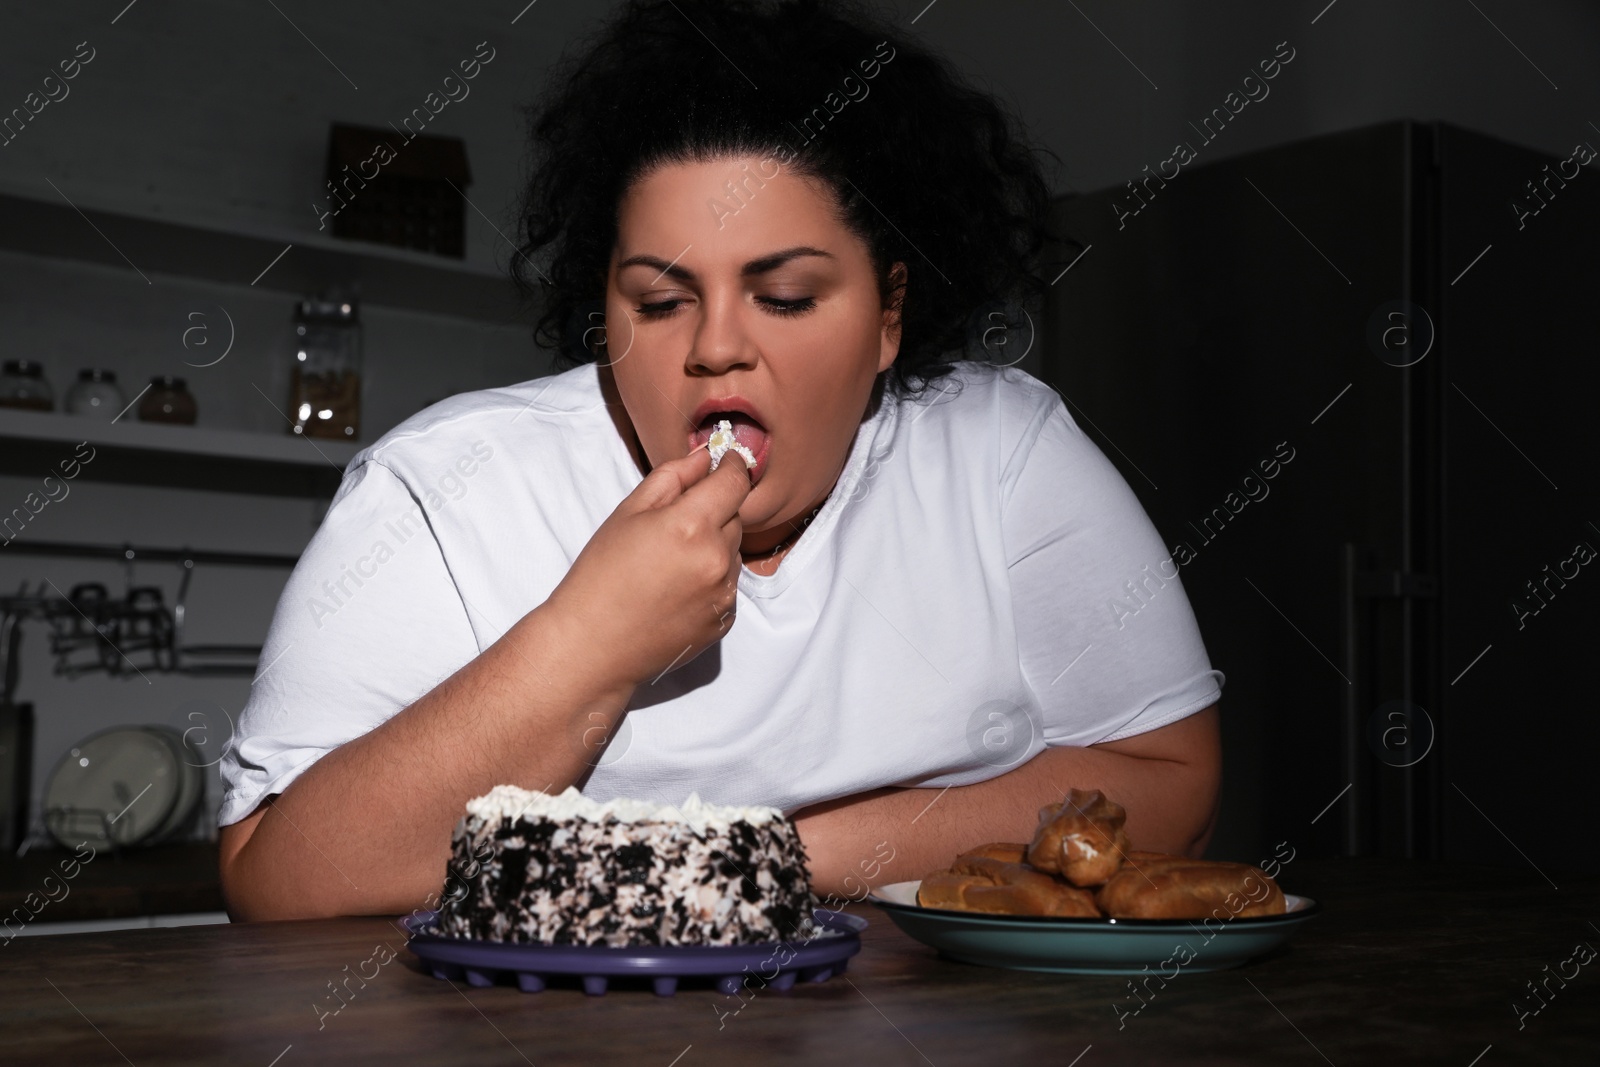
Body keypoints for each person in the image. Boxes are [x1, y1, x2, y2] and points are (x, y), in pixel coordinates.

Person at [218, 0, 1222, 921]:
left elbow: (1170, 774)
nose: (713, 345)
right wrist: (588, 640)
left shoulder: (1001, 449)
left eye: (784, 295)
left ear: (888, 315)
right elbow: (275, 881)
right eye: (658, 300)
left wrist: (768, 853)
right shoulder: (439, 486)